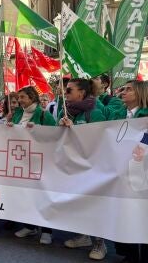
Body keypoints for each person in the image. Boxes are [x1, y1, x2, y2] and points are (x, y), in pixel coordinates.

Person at [59, 78, 107, 260]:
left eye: (69, 90)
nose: (65, 93)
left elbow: (100, 141)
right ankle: (84, 236)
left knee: (96, 205)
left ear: (82, 93)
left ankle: (100, 244)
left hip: (94, 168)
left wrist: (76, 131)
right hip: (76, 167)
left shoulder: (95, 113)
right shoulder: (72, 113)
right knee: (81, 204)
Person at [7, 87, 56, 244]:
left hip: (39, 161)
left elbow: (54, 136)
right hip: (21, 161)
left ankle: (47, 231)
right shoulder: (18, 114)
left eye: (22, 97)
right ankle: (30, 226)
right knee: (26, 194)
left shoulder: (44, 114)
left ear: (32, 97)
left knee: (42, 195)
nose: (19, 100)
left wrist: (37, 131)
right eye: (19, 97)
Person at [108, 80, 148, 263]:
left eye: (128, 89)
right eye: (122, 89)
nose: (123, 92)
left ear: (141, 93)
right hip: (124, 175)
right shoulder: (118, 115)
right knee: (127, 215)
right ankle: (130, 255)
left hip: (142, 175)